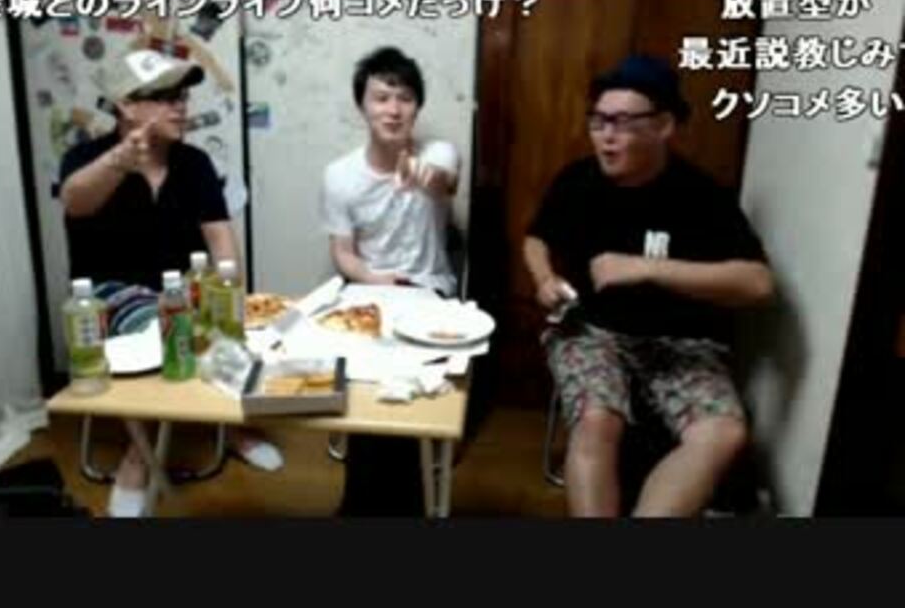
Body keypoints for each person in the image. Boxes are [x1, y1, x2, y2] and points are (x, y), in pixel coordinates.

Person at [523, 54, 775, 517]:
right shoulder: (577, 181)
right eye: (598, 121)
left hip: (683, 344)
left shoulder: (702, 196)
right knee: (596, 421)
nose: (606, 135)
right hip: (591, 331)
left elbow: (757, 284)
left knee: (723, 433)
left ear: (664, 126)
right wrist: (544, 278)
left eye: (622, 122)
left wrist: (648, 268)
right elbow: (537, 238)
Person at [59, 48, 282, 517]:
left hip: (184, 291)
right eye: (165, 97)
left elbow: (220, 239)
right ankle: (138, 458)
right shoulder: (86, 158)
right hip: (108, 300)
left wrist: (234, 300)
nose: (181, 106)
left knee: (234, 323)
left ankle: (230, 425)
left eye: (182, 96)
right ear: (126, 105)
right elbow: (76, 201)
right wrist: (119, 160)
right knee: (171, 326)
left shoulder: (194, 163)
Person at [319, 46, 461, 515]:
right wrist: (373, 277)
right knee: (368, 388)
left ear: (417, 107)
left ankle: (395, 504)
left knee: (404, 387)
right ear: (362, 106)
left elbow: (444, 181)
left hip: (429, 292)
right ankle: (365, 504)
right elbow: (343, 254)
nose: (393, 110)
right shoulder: (338, 176)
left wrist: (420, 174)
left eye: (404, 98)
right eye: (381, 98)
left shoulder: (437, 153)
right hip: (368, 293)